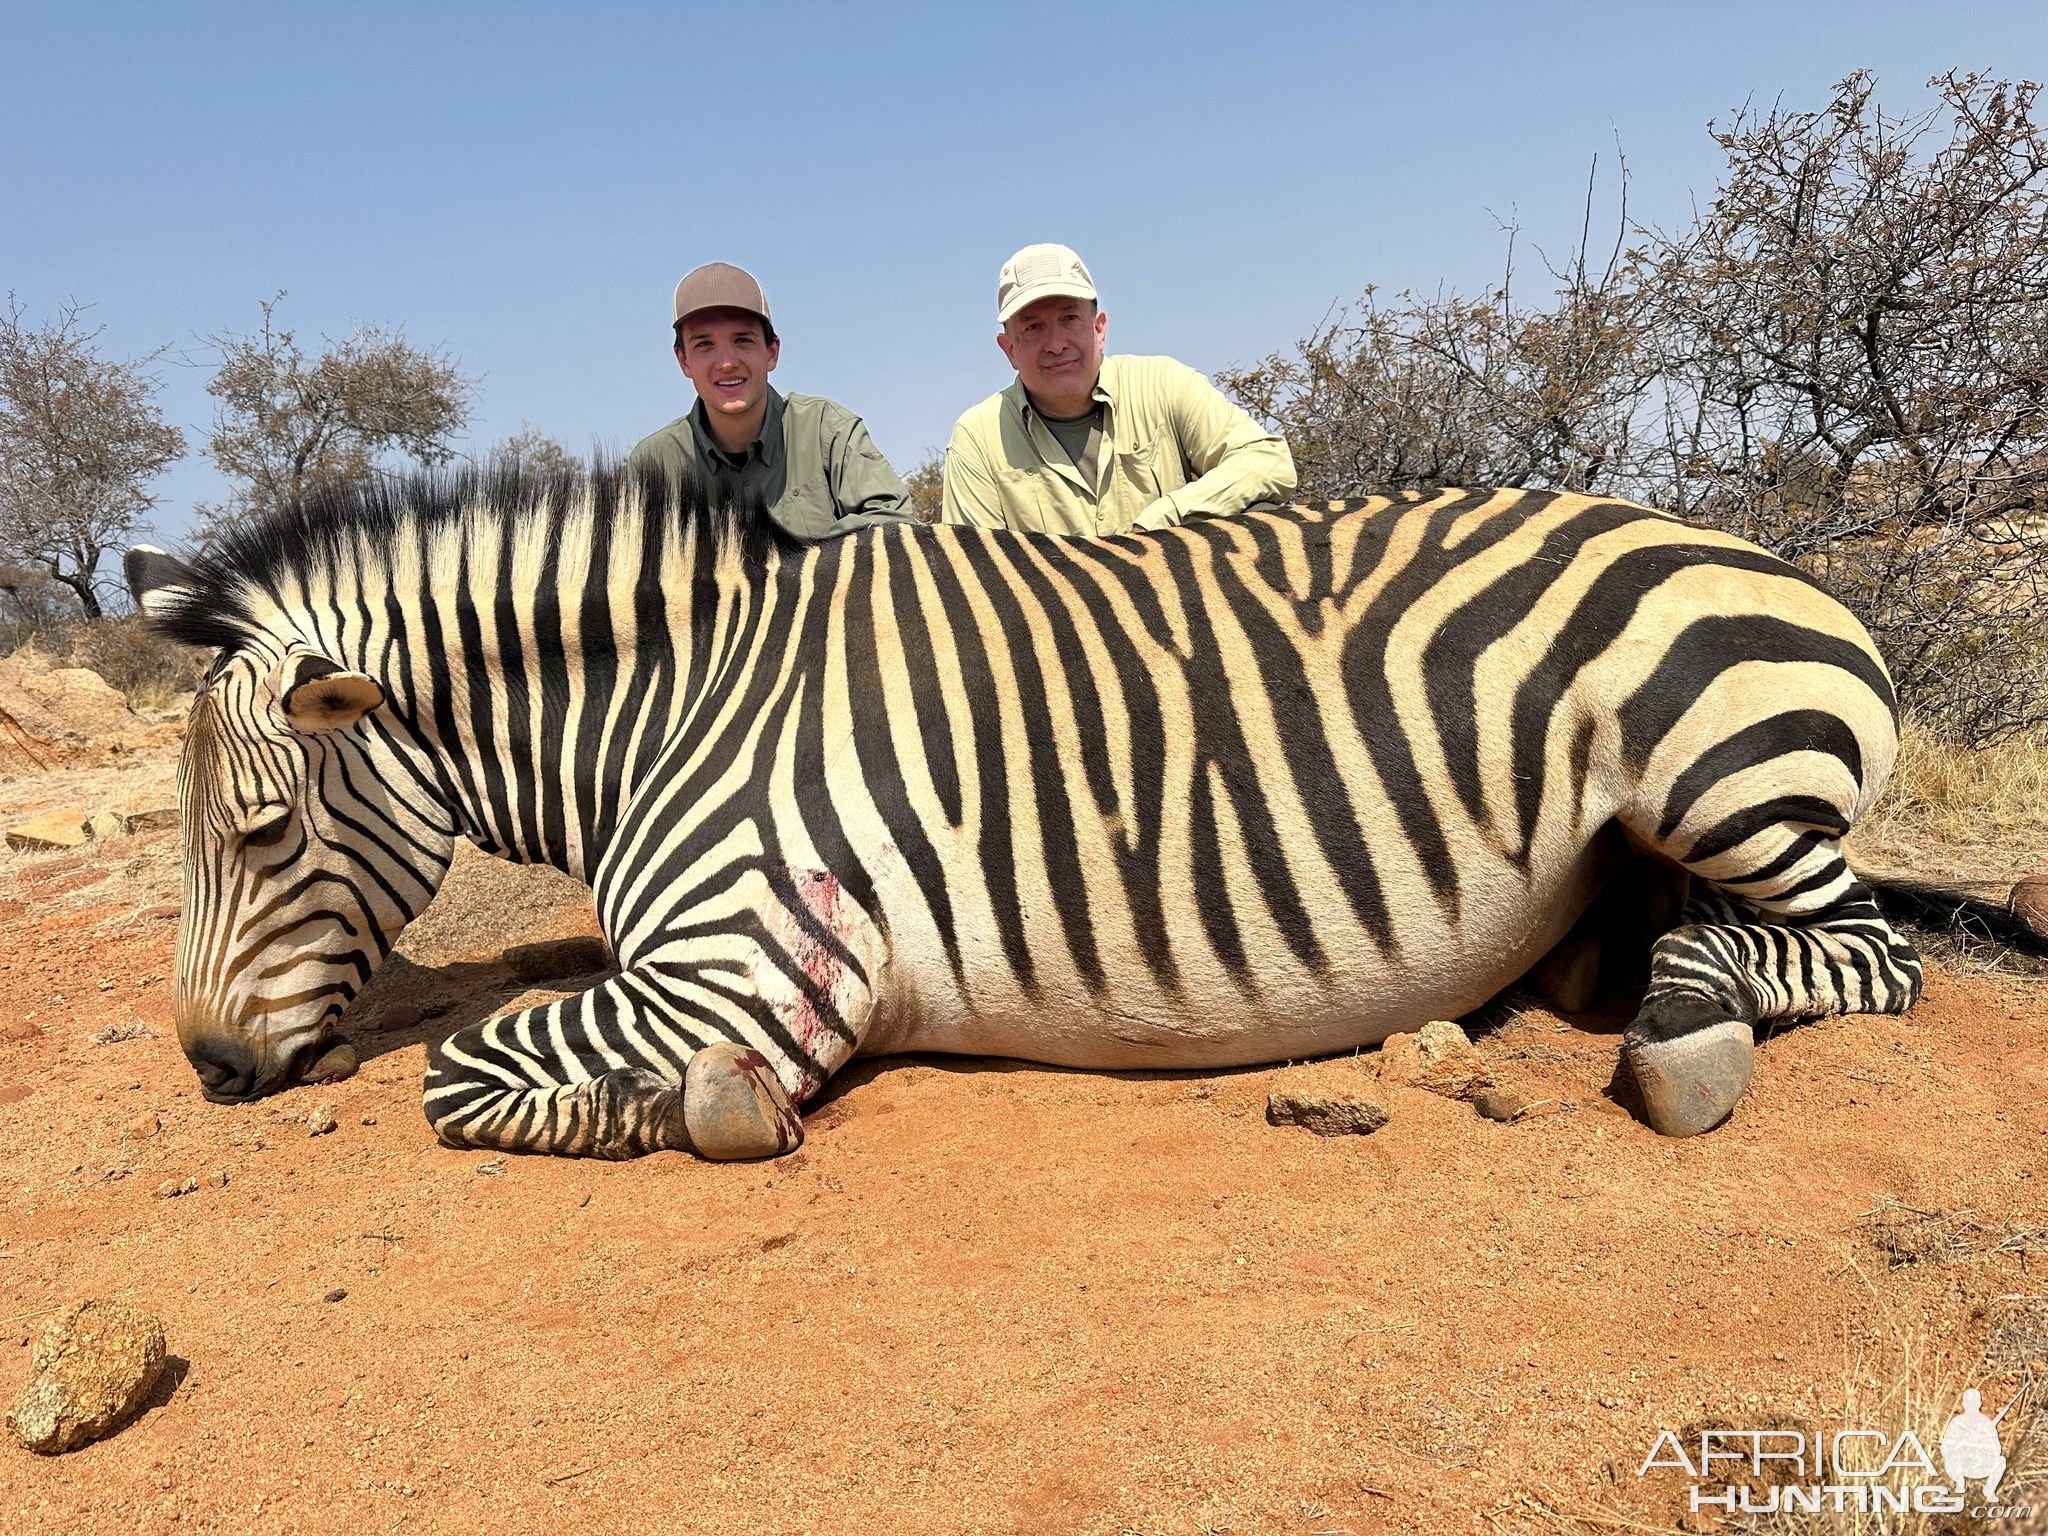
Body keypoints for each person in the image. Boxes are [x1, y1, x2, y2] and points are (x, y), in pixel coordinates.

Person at [941, 243, 1295, 535]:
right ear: (1009, 349)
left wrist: (1162, 520)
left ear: (1099, 329)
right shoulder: (978, 437)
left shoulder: (1163, 382)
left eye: (1069, 318)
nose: (1056, 344)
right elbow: (973, 567)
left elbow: (1268, 461)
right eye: (1033, 327)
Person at [629, 262, 912, 538]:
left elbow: (895, 523)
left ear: (772, 351)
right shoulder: (652, 465)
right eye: (704, 345)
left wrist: (797, 570)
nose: (727, 363)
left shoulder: (828, 430)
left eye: (743, 340)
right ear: (683, 361)